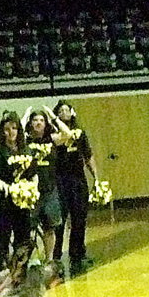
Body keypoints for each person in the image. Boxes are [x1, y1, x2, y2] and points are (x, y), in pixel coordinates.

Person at [52, 100, 99, 276]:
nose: (64, 112)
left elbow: (88, 155)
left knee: (80, 218)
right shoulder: (54, 133)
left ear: (72, 113)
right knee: (59, 220)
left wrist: (96, 176)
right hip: (60, 179)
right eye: (61, 110)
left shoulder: (80, 134)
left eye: (67, 109)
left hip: (78, 178)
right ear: (57, 114)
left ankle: (77, 253)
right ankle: (55, 256)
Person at [0, 111, 38, 272]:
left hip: (23, 202)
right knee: (2, 238)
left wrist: (32, 190)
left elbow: (34, 174)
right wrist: (9, 188)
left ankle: (22, 270)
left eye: (14, 128)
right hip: (6, 201)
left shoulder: (27, 151)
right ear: (2, 131)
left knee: (23, 238)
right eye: (7, 129)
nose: (11, 132)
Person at [22, 107, 63, 267]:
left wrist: (53, 117)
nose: (38, 123)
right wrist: (25, 117)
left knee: (50, 228)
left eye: (41, 120)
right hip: (31, 192)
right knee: (29, 229)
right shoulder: (25, 142)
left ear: (46, 124)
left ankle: (49, 259)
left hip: (50, 189)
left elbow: (67, 134)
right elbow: (16, 132)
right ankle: (31, 260)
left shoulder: (51, 139)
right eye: (35, 120)